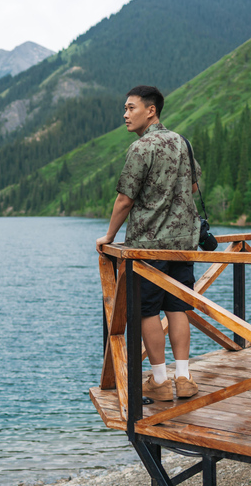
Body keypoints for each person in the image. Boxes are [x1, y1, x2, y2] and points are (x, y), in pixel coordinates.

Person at [95, 85, 201, 402]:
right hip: (183, 243)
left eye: (131, 108)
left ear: (150, 110)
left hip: (148, 246)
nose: (125, 114)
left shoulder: (142, 148)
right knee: (178, 306)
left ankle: (159, 381)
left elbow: (125, 199)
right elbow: (193, 186)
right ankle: (183, 378)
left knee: (146, 310)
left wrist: (109, 237)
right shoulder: (182, 143)